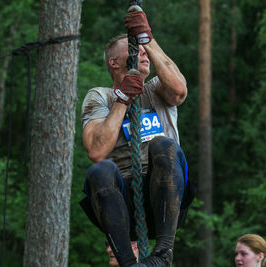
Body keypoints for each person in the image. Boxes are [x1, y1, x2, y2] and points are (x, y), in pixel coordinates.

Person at [79, 6, 196, 267]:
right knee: (99, 170)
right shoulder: (100, 97)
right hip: (121, 206)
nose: (142, 53)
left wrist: (147, 38)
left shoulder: (156, 89)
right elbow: (96, 150)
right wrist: (122, 99)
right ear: (114, 62)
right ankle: (128, 264)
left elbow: (179, 91)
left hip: (167, 195)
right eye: (134, 49)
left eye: (142, 48)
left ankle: (164, 253)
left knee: (162, 144)